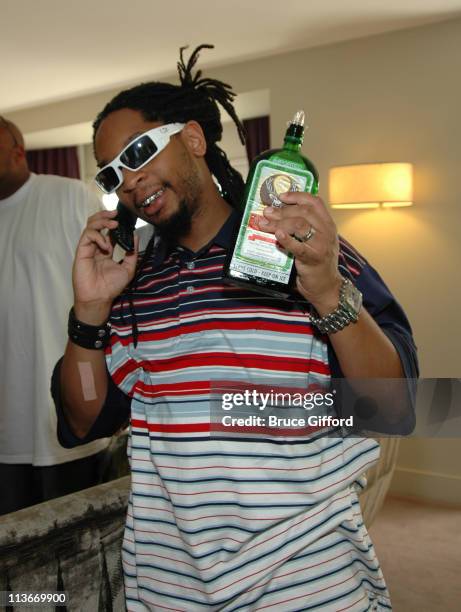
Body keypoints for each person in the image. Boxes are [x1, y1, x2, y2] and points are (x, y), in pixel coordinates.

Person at [52, 45, 418, 610]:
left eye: (139, 152)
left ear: (193, 139)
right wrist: (89, 314)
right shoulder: (132, 280)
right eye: (111, 172)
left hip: (311, 584)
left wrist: (322, 288)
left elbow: (392, 407)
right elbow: (82, 418)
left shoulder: (304, 250)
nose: (128, 181)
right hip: (167, 588)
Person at [0, 116, 111, 516]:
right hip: (5, 425)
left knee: (76, 558)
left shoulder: (69, 196)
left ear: (17, 148)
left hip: (62, 417)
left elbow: (109, 286)